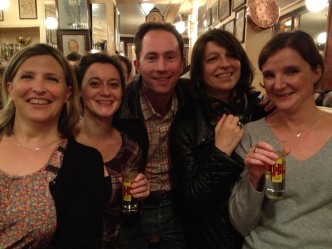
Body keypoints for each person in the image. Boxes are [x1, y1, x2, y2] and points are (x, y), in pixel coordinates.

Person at [229, 30, 332, 248]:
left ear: (316, 72)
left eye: (291, 71)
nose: (278, 84)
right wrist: (253, 180)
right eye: (269, 75)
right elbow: (240, 223)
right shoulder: (250, 135)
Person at [169, 29, 269, 249]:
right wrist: (221, 152)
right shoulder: (187, 122)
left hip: (265, 236)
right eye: (213, 59)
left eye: (232, 55)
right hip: (213, 240)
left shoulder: (260, 110)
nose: (225, 64)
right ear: (199, 70)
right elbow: (189, 204)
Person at [0, 43, 105, 248]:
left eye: (51, 79)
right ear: (10, 88)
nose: (39, 88)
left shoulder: (83, 162)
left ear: (67, 93)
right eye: (27, 76)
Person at [114, 22, 192, 249]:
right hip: (133, 208)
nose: (161, 67)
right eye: (151, 58)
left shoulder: (192, 97)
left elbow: (226, 96)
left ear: (182, 63)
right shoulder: (119, 106)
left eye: (170, 57)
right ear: (137, 64)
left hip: (179, 207)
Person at [73, 52, 150, 249]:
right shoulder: (61, 141)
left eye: (114, 84)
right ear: (79, 90)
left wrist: (139, 197)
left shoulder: (131, 149)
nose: (106, 92)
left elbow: (129, 216)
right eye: (95, 83)